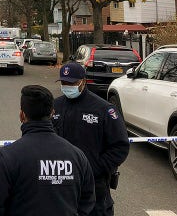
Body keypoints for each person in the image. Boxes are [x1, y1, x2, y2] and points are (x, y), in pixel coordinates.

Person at [0, 85, 96, 216]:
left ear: (22, 115)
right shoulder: (77, 155)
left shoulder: (7, 157)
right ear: (52, 113)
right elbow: (87, 201)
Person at [52, 63, 130, 216]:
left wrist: (95, 168)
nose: (67, 86)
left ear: (83, 81)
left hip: (94, 185)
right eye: (64, 83)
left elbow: (120, 146)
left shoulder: (103, 109)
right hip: (60, 183)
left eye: (72, 83)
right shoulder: (55, 106)